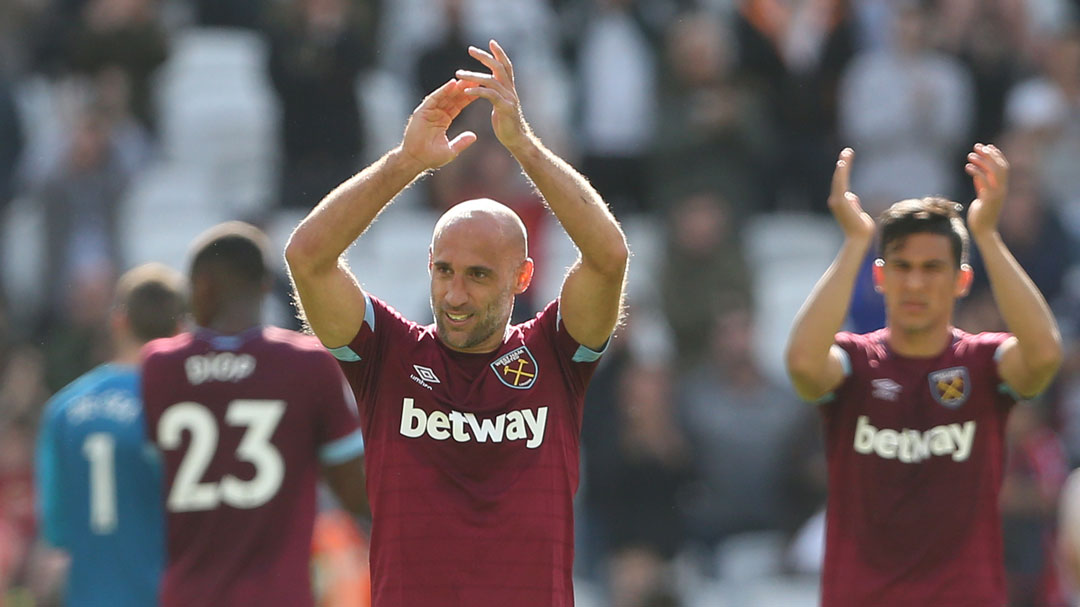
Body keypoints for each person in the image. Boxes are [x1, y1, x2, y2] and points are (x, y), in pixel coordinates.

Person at [285, 39, 628, 607]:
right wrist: (406, 162)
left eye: (477, 275)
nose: (455, 293)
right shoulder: (387, 356)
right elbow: (307, 257)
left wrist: (523, 147)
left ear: (521, 278)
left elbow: (609, 257)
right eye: (443, 270)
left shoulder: (555, 357)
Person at [785, 143, 1063, 605]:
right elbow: (801, 367)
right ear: (881, 276)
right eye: (902, 267)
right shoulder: (854, 363)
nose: (915, 283)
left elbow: (1043, 357)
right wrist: (856, 241)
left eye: (933, 268)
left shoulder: (982, 363)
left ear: (962, 280)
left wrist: (987, 235)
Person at [139, 222, 367, 607]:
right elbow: (355, 492)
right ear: (264, 287)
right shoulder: (307, 364)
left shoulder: (160, 366)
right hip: (278, 596)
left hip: (189, 595)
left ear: (202, 286)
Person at [35, 262, 187, 607]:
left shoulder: (63, 409)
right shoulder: (179, 406)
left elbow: (56, 530)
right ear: (180, 328)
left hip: (90, 596)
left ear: (119, 321)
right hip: (165, 594)